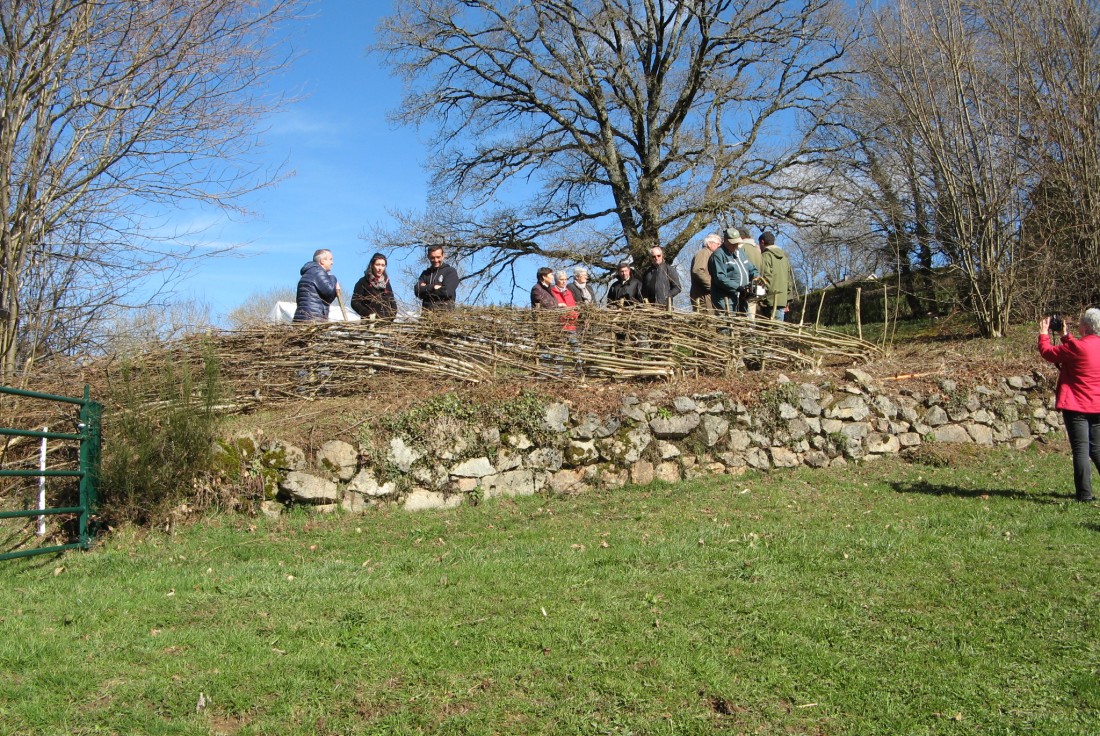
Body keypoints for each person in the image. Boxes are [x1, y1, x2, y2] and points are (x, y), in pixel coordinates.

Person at [1038, 309, 1100, 502]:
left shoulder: (1077, 347)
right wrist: (1065, 336)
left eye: (1081, 322)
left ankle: (1084, 495)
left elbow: (1048, 353)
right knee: (1097, 449)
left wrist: (1043, 334)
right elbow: (1076, 349)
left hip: (1077, 406)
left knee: (1081, 450)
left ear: (1087, 326)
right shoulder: (1084, 345)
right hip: (1097, 406)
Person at [709, 227, 759, 315]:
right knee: (726, 324)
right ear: (725, 240)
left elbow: (750, 268)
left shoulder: (741, 252)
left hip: (742, 297)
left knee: (743, 325)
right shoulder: (718, 255)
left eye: (737, 243)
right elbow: (720, 278)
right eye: (733, 243)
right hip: (725, 298)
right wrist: (738, 287)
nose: (735, 246)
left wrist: (756, 277)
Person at [292, 248, 340, 322]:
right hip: (313, 318)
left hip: (302, 318)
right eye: (330, 259)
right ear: (322, 261)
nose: (332, 262)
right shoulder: (318, 272)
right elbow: (329, 292)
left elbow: (326, 298)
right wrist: (333, 278)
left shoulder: (309, 273)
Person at [758, 232, 795, 321]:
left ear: (762, 242)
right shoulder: (784, 258)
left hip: (769, 300)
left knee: (770, 330)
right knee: (778, 329)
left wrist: (760, 297)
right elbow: (789, 280)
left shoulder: (766, 256)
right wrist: (787, 300)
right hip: (782, 300)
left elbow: (765, 278)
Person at [350, 252, 397, 320]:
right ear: (372, 265)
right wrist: (369, 314)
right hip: (369, 324)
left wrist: (392, 316)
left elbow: (392, 302)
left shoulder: (386, 283)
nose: (380, 268)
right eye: (377, 265)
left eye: (383, 265)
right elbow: (354, 302)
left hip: (386, 324)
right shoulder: (363, 282)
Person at [414, 244, 459, 311]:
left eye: (438, 257)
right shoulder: (425, 274)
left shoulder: (450, 272)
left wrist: (425, 289)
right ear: (428, 257)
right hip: (426, 315)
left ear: (443, 256)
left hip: (444, 316)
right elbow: (417, 291)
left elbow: (447, 292)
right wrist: (433, 287)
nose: (436, 260)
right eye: (432, 257)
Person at [690, 234, 721, 312]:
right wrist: (711, 286)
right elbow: (697, 270)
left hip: (709, 296)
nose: (719, 246)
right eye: (718, 244)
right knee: (707, 322)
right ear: (709, 244)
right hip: (703, 296)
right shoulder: (704, 253)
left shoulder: (711, 255)